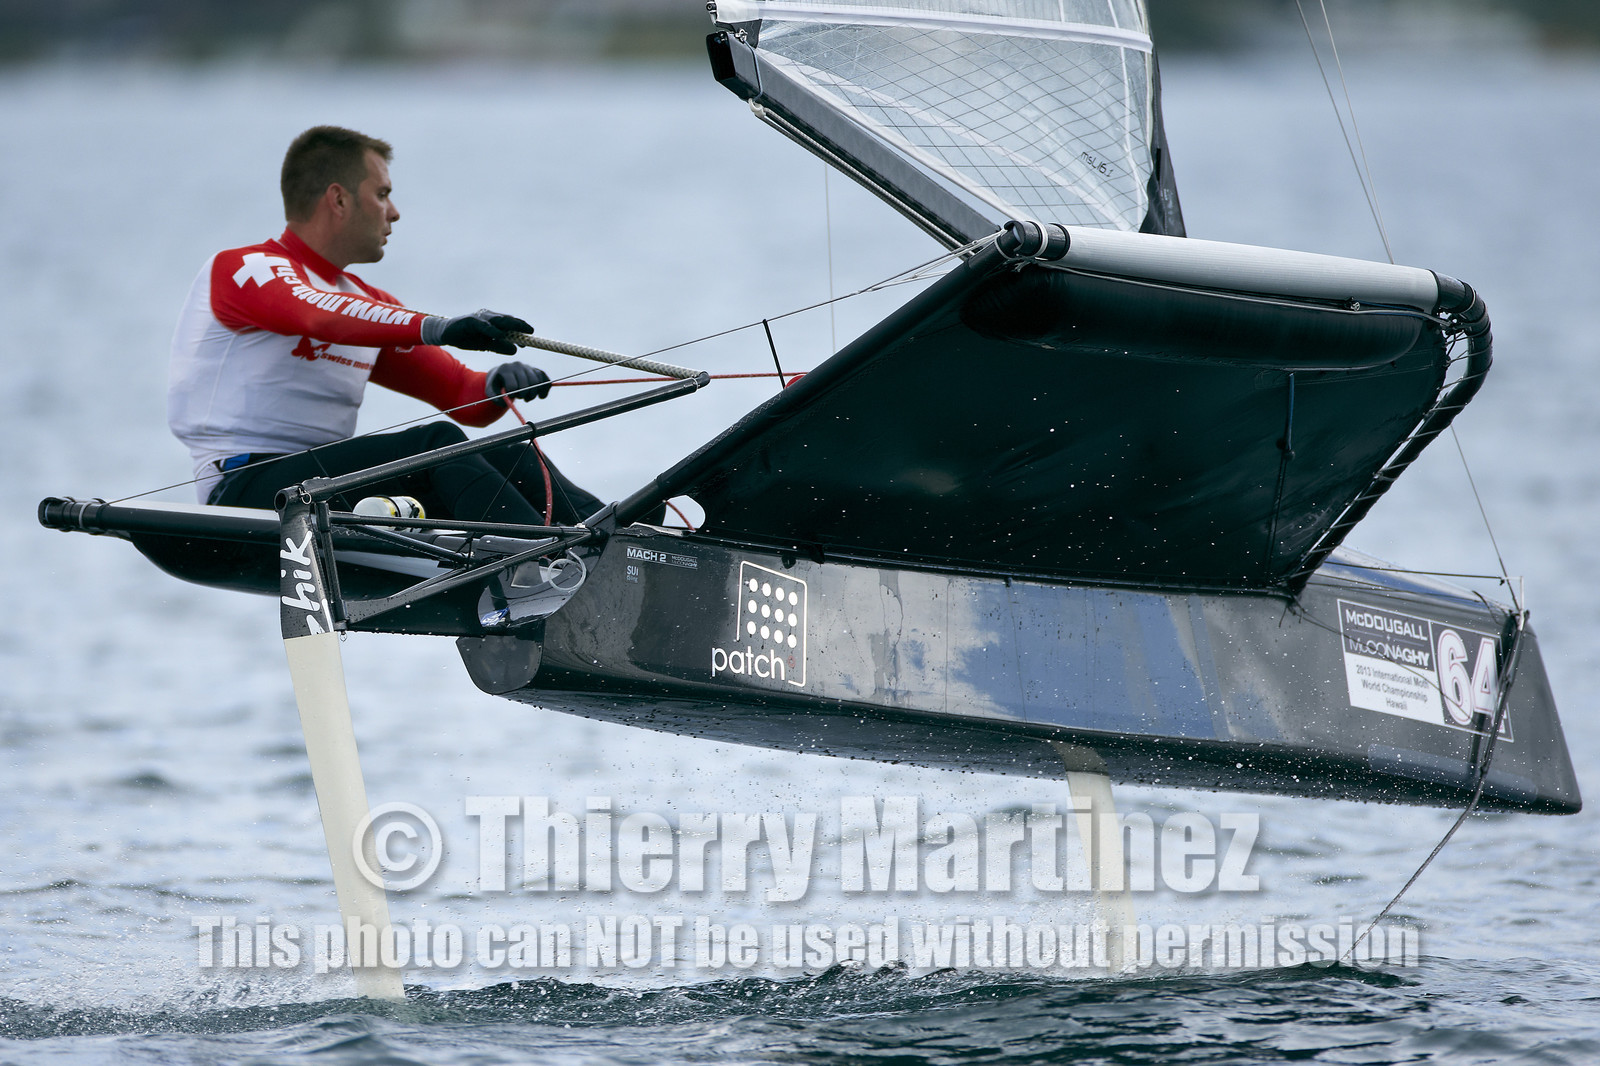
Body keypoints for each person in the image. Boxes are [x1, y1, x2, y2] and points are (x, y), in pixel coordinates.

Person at [168, 125, 602, 526]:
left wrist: (496, 384)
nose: (394, 212)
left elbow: (459, 396)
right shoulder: (246, 267)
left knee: (501, 452)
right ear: (338, 200)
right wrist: (443, 327)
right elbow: (314, 314)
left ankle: (628, 540)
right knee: (436, 443)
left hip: (319, 490)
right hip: (244, 492)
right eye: (382, 194)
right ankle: (539, 568)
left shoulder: (365, 303)